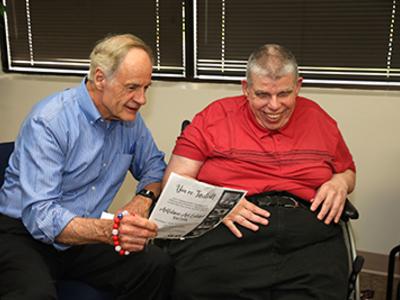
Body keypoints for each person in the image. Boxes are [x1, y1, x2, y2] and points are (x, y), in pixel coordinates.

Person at [163, 44, 356, 299]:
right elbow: (174, 181)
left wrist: (340, 182)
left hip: (306, 230)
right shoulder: (215, 116)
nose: (274, 106)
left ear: (298, 86)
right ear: (246, 88)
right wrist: (220, 204)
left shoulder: (319, 118)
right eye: (262, 94)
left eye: (284, 94)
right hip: (231, 224)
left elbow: (348, 170)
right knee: (202, 286)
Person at [0, 34, 173, 300]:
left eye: (146, 88)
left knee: (156, 266)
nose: (141, 100)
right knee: (35, 294)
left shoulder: (129, 120)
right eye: (132, 87)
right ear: (101, 78)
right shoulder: (50, 121)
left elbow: (153, 166)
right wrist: (111, 231)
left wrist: (143, 198)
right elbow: (41, 217)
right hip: (24, 233)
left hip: (81, 234)